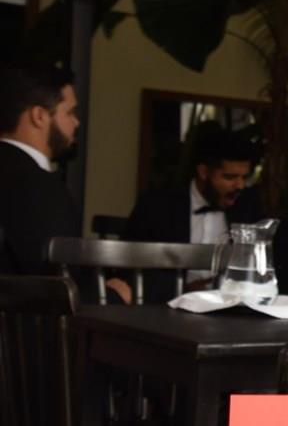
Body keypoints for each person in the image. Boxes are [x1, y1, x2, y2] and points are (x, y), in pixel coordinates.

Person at [0, 64, 132, 302]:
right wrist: (112, 295)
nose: (76, 123)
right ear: (39, 116)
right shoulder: (39, 187)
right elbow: (53, 286)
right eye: (70, 112)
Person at [123, 120, 264, 300]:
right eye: (230, 177)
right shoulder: (157, 205)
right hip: (167, 306)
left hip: (230, 307)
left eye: (244, 177)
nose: (240, 186)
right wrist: (181, 289)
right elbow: (130, 266)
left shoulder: (248, 207)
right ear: (203, 172)